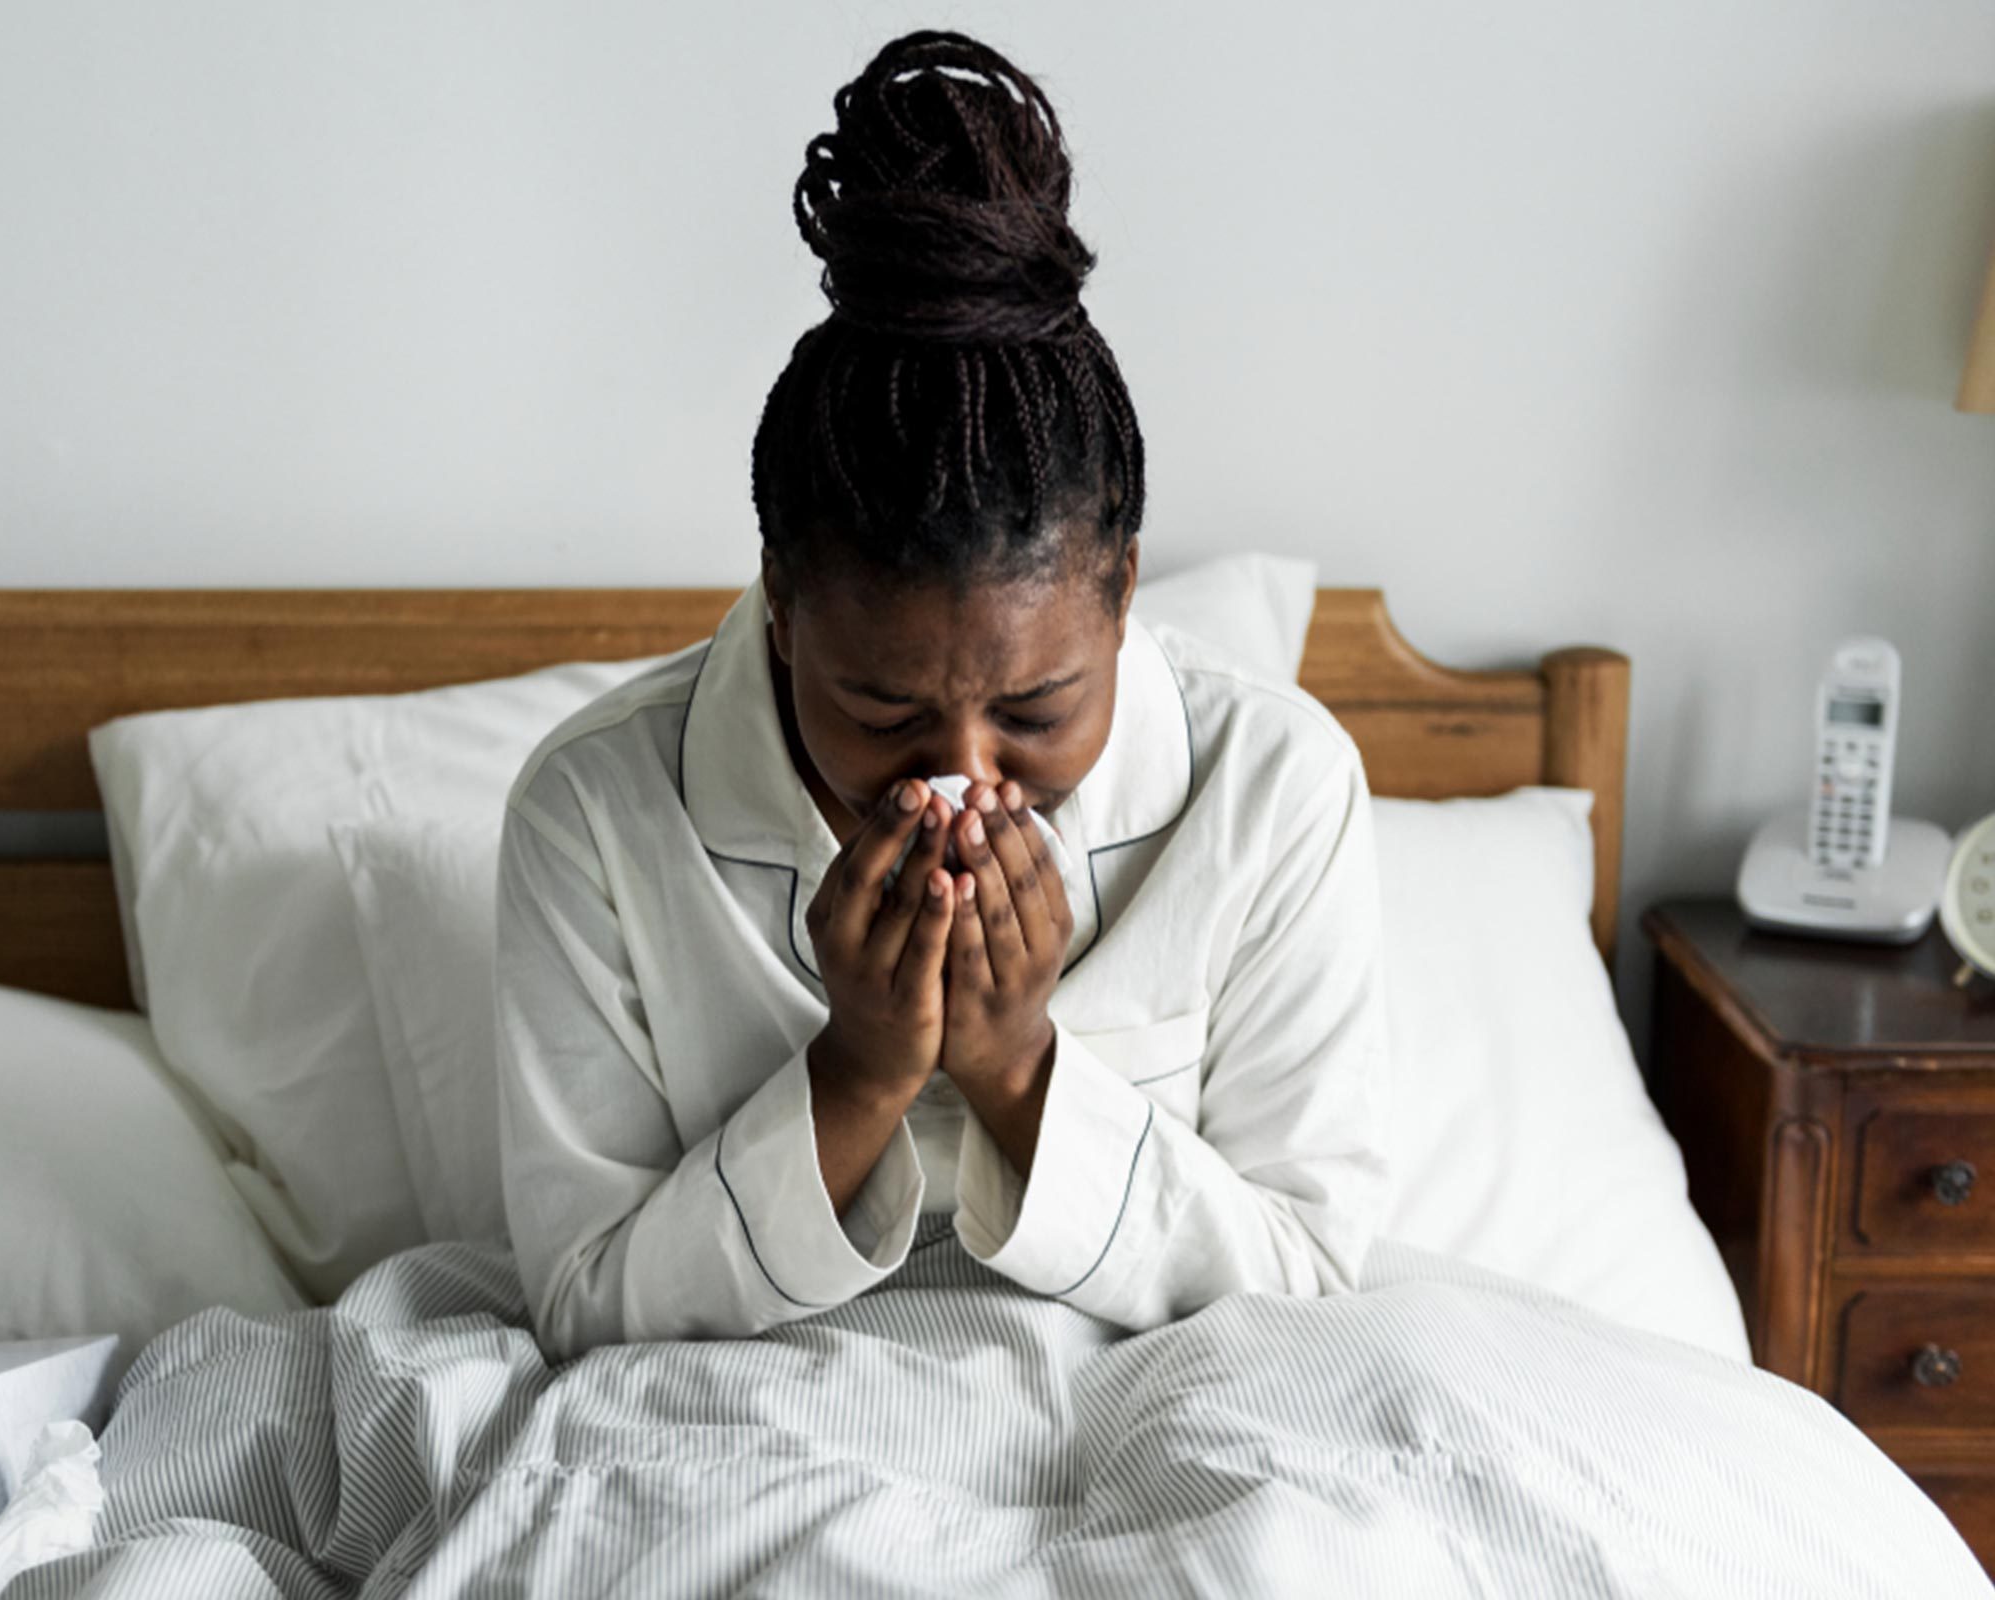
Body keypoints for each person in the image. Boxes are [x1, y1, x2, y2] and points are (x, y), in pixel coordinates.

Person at [494, 29, 1388, 1363]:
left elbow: (1310, 1282)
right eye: (882, 711)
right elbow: (585, 1303)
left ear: (1126, 589)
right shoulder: (598, 810)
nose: (959, 775)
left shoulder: (1275, 789)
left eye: (1032, 712)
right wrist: (856, 1070)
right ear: (783, 612)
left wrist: (1018, 1067)